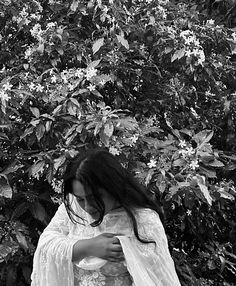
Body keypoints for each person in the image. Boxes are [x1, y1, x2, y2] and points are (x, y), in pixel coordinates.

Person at [31, 149, 181, 286]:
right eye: (80, 199)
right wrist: (88, 247)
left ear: (113, 187)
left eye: (94, 198)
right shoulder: (73, 207)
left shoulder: (144, 220)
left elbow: (159, 279)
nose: (88, 207)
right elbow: (46, 245)